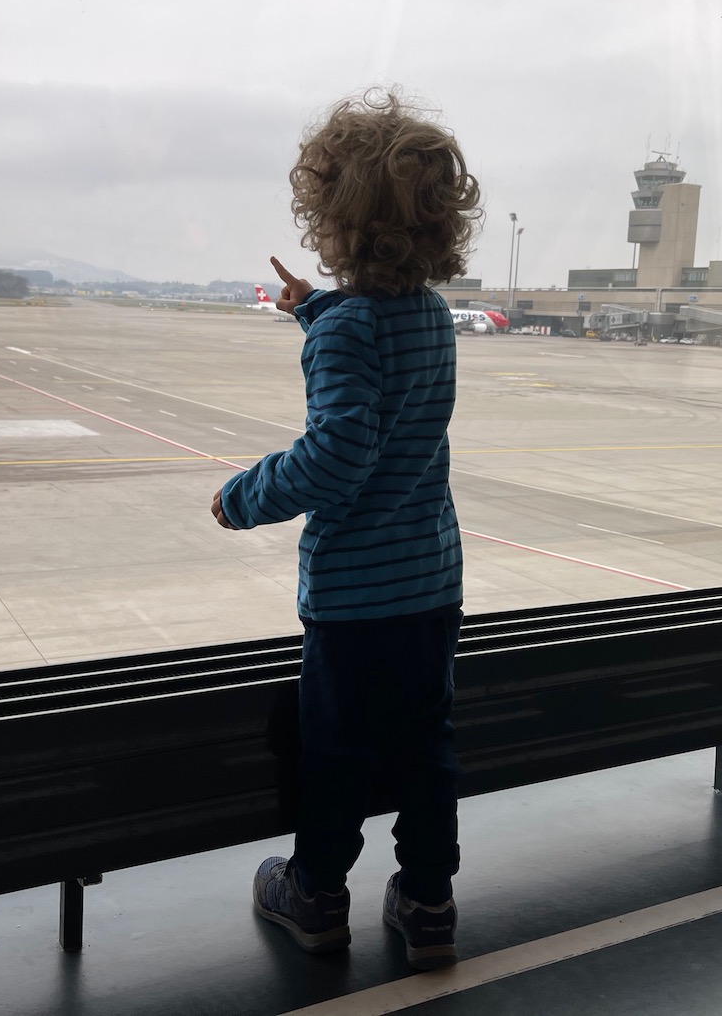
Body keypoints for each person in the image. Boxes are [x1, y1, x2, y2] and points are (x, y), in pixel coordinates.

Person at [211, 89, 480, 971]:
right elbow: (376, 343)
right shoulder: (430, 319)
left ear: (335, 221)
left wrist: (243, 496)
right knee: (426, 749)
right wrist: (310, 308)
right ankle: (428, 899)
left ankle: (317, 893)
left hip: (357, 599)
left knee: (336, 753)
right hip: (432, 585)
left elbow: (337, 456)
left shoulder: (349, 330)